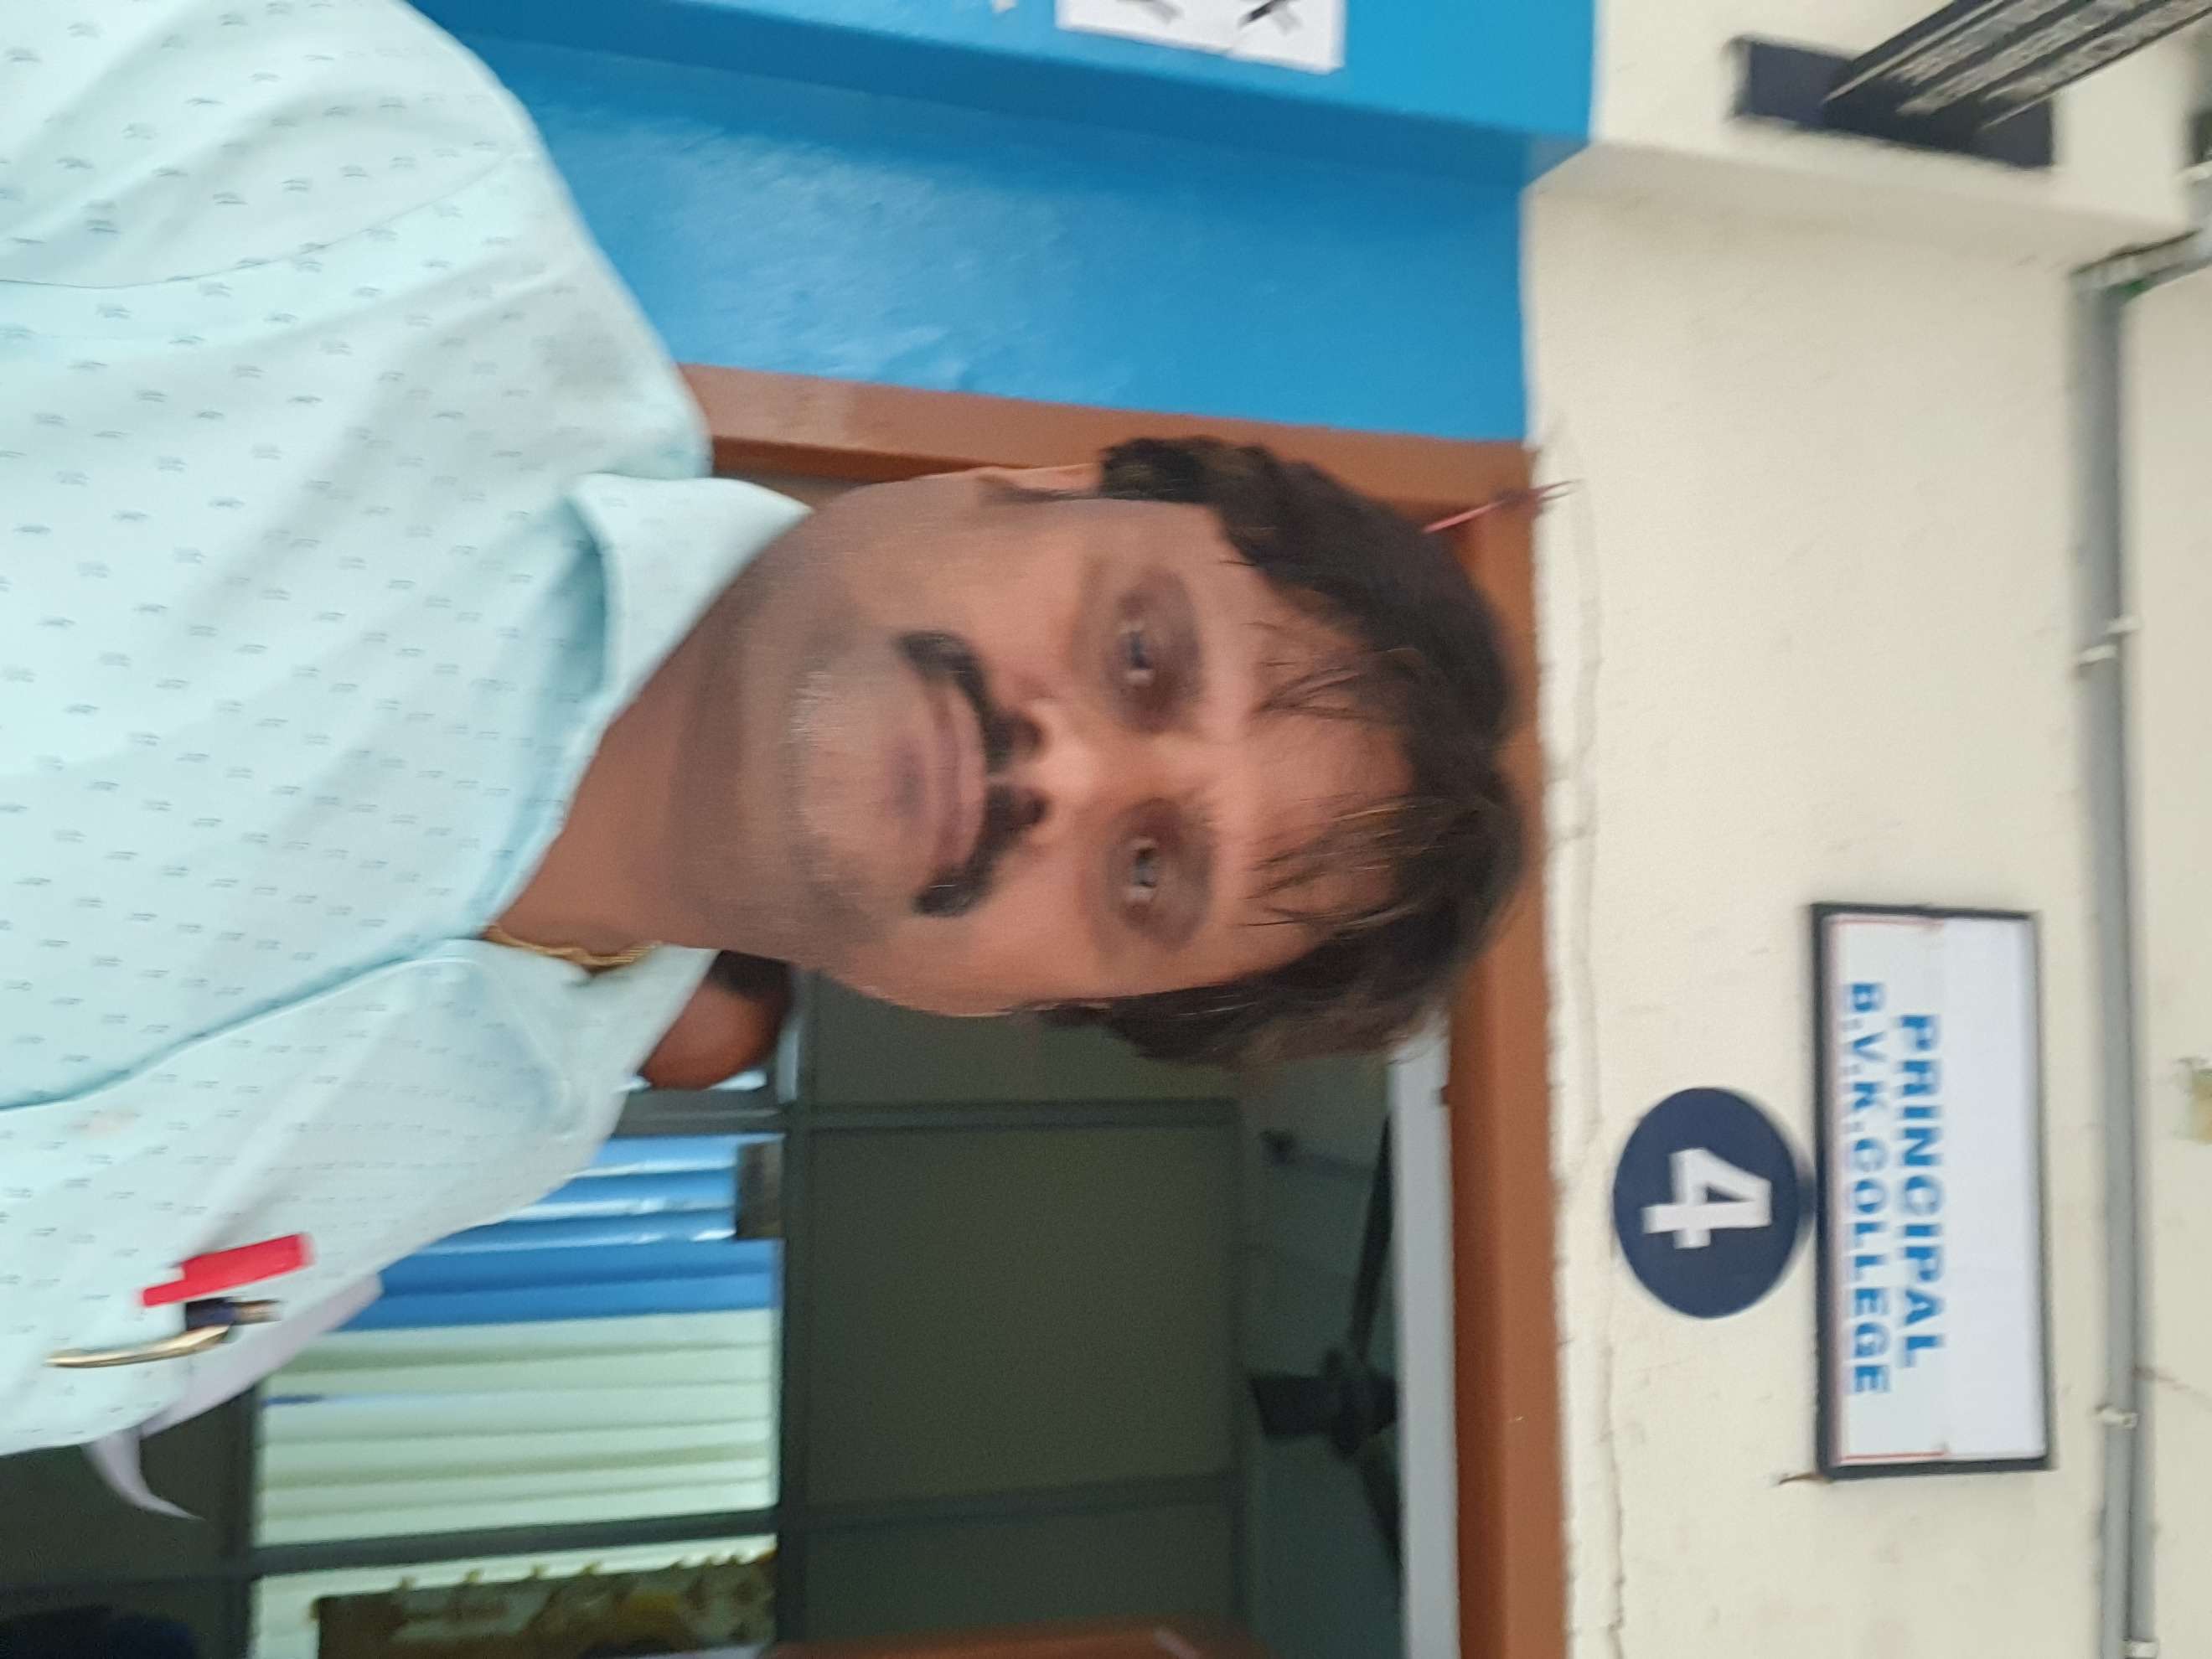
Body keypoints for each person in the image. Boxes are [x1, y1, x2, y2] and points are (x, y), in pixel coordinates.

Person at [0, 0, 1520, 1460]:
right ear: (1051, 483)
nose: (1059, 773)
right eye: (1141, 654)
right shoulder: (350, 192)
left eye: (1145, 873)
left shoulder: (490, 1145)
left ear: (1015, 1001)